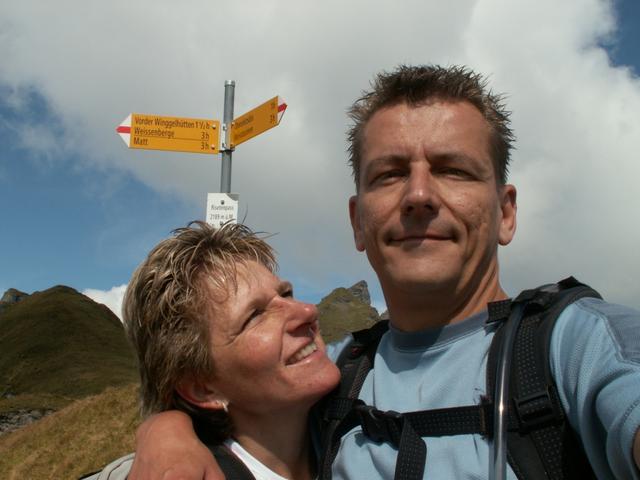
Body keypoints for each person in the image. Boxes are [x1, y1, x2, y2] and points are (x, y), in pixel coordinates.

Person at [106, 65, 640, 479]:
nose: (419, 195)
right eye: (388, 175)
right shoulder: (334, 375)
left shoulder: (580, 346)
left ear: (505, 213)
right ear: (358, 222)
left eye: (454, 170)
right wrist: (166, 429)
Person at [84, 221, 340, 480]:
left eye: (286, 294)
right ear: (202, 389)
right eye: (255, 315)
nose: (308, 310)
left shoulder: (356, 422)